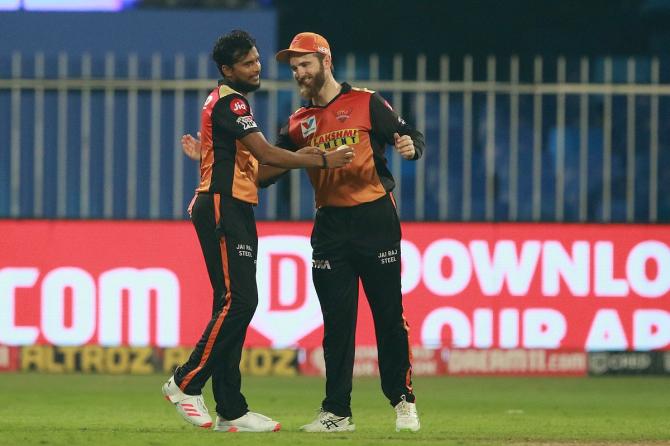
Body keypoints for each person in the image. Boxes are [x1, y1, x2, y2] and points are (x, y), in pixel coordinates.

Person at [162, 29, 354, 434]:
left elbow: (260, 169)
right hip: (223, 206)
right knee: (240, 301)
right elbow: (266, 153)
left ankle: (230, 407)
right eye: (248, 63)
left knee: (231, 303)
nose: (257, 67)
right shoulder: (231, 103)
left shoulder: (231, 103)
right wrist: (323, 160)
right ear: (227, 70)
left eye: (256, 59)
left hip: (234, 205)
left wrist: (298, 156)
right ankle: (185, 381)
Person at [272, 32, 424, 433]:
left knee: (389, 318)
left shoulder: (366, 101)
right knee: (337, 325)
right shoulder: (296, 123)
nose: (298, 73)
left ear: (326, 61)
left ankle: (403, 400)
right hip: (330, 227)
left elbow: (409, 134)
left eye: (304, 64)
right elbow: (267, 165)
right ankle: (337, 412)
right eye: (293, 68)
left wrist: (410, 146)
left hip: (375, 220)